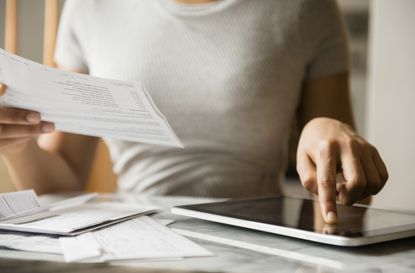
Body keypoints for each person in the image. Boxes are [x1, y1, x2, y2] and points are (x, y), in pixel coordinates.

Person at [0, 0, 388, 224]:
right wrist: (16, 144)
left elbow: (346, 191)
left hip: (259, 238)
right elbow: (62, 177)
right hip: (129, 236)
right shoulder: (90, 7)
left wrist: (325, 130)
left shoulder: (306, 7)